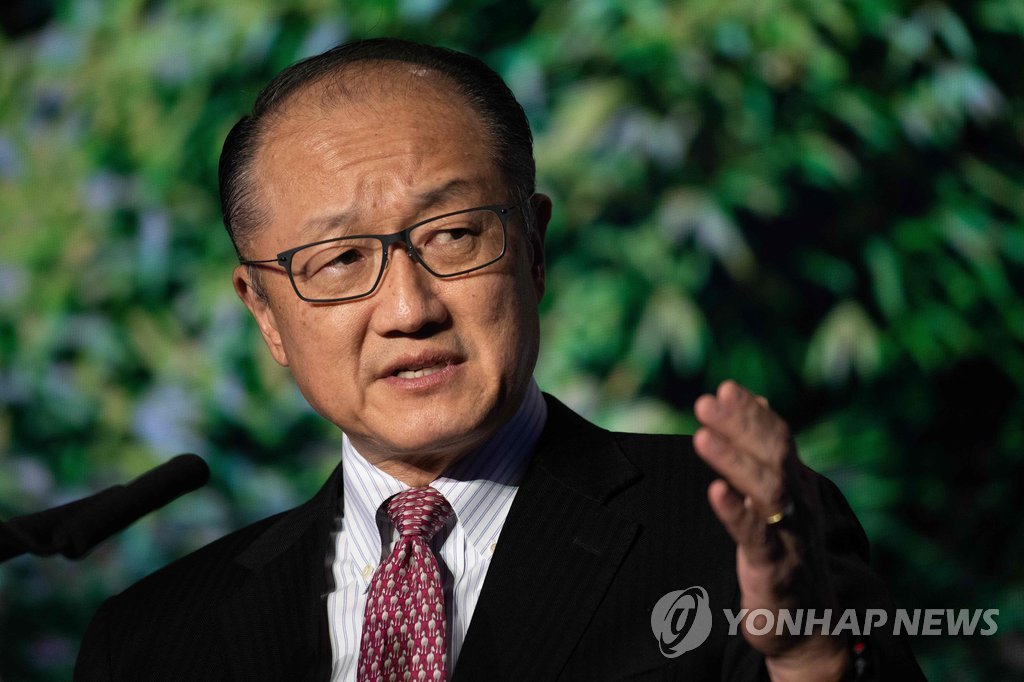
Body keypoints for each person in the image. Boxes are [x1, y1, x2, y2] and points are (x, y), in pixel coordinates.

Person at [74, 38, 922, 681]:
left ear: (535, 249)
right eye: (340, 260)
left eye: (453, 235)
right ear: (264, 311)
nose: (409, 310)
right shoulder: (152, 639)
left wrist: (808, 658)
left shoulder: (733, 537)